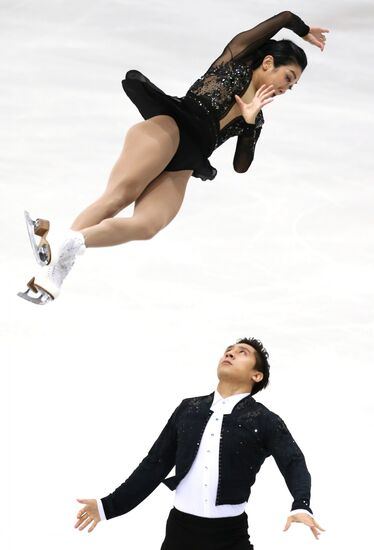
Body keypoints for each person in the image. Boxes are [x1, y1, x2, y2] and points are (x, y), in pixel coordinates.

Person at [19, 11, 329, 304]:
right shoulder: (234, 60)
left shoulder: (257, 118)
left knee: (147, 225)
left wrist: (248, 122)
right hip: (168, 129)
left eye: (293, 85)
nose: (288, 88)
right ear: (268, 63)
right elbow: (285, 18)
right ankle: (57, 268)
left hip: (186, 162)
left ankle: (66, 245)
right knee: (120, 196)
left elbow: (241, 165)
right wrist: (303, 32)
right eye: (288, 77)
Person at [74, 337, 324, 549]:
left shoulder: (264, 420)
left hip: (230, 536)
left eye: (242, 352)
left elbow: (293, 461)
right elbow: (155, 464)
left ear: (256, 375)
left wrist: (301, 504)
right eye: (229, 350)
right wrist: (109, 506)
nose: (231, 353)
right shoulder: (188, 409)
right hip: (179, 533)